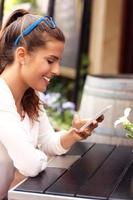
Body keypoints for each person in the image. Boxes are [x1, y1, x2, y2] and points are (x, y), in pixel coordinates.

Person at [0, 9, 103, 199]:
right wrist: (34, 160)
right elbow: (29, 165)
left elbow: (47, 142)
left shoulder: (32, 96)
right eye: (50, 60)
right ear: (22, 55)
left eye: (58, 61)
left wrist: (73, 135)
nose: (56, 70)